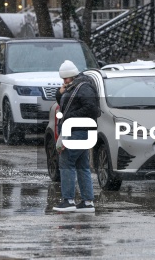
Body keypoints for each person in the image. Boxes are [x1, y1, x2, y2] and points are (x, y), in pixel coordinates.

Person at [52, 60, 100, 213]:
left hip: (79, 130)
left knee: (66, 161)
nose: (64, 81)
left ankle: (68, 200)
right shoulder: (73, 87)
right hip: (78, 130)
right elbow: (67, 105)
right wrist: (59, 94)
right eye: (63, 78)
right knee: (81, 164)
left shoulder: (84, 88)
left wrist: (71, 117)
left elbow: (92, 109)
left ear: (73, 75)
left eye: (66, 78)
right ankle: (87, 202)